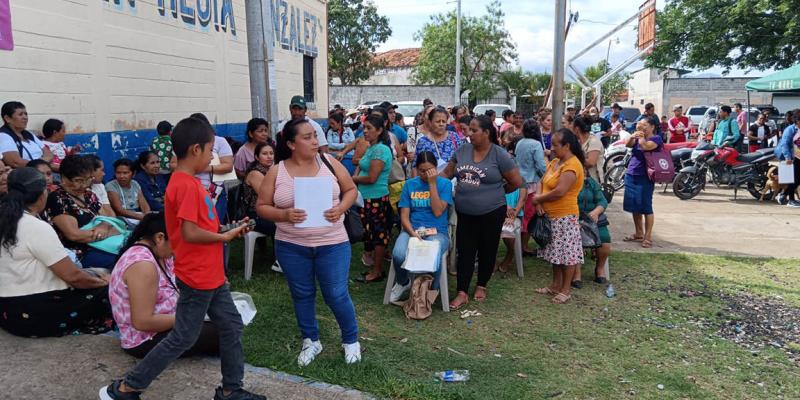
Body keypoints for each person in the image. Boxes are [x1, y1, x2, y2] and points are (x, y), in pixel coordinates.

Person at [100, 117, 263, 400]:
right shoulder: (186, 185)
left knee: (231, 325)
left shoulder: (186, 182)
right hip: (198, 276)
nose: (214, 156)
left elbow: (201, 227)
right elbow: (189, 233)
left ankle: (230, 389)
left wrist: (226, 229)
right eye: (211, 149)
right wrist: (224, 238)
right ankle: (128, 388)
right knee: (183, 337)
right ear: (197, 150)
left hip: (209, 274)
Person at [256, 117, 361, 367]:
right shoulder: (277, 170)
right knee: (302, 294)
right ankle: (311, 340)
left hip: (332, 243)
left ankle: (351, 341)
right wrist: (283, 215)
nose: (315, 141)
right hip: (291, 246)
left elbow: (350, 190)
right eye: (307, 137)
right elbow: (261, 207)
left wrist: (342, 209)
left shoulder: (329, 162)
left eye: (315, 135)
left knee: (336, 294)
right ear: (291, 144)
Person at [0, 167, 111, 338]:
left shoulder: (7, 218)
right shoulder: (35, 226)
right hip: (35, 316)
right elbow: (73, 277)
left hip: (7, 313)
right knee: (114, 288)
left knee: (95, 274)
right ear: (42, 195)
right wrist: (104, 284)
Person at [441, 115, 524, 309]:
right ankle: (462, 291)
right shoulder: (462, 151)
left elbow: (516, 182)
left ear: (486, 132)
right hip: (465, 212)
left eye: (473, 130)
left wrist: (496, 193)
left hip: (492, 212)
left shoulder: (499, 154)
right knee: (465, 250)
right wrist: (428, 181)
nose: (469, 134)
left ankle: (481, 284)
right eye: (468, 129)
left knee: (487, 249)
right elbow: (446, 174)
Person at [110, 212, 219, 358]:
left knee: (222, 314)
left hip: (167, 323)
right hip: (145, 340)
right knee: (222, 328)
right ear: (160, 237)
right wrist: (189, 317)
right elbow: (142, 322)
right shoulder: (142, 266)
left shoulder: (160, 253)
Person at [388, 151, 453, 302]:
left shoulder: (445, 184)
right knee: (398, 254)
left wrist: (432, 184)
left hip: (438, 231)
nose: (426, 174)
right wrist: (412, 233)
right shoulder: (410, 185)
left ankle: (432, 289)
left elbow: (438, 212)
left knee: (433, 251)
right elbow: (404, 216)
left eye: (430, 170)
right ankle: (403, 282)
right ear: (416, 169)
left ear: (436, 168)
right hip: (413, 229)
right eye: (422, 171)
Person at [531, 129, 586, 304]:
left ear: (567, 146)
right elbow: (541, 181)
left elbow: (560, 191)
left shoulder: (572, 165)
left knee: (568, 255)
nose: (551, 148)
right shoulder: (555, 161)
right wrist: (539, 202)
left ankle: (565, 289)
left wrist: (539, 198)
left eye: (555, 145)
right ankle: (555, 285)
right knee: (555, 253)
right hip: (550, 216)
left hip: (565, 217)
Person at [46, 155, 120, 270]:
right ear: (64, 178)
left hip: (100, 245)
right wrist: (108, 231)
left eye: (88, 179)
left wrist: (104, 225)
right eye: (78, 181)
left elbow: (110, 218)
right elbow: (74, 235)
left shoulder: (88, 194)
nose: (84, 185)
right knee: (124, 262)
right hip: (80, 254)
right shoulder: (58, 199)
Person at [352, 114, 393, 283]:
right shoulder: (371, 147)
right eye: (364, 127)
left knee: (378, 234)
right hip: (367, 198)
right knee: (370, 232)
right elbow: (362, 167)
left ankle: (377, 271)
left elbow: (372, 178)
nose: (365, 131)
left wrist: (351, 179)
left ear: (380, 130)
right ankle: (374, 267)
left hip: (376, 198)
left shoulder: (381, 150)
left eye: (369, 128)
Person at [622, 119, 663, 248]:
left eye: (645, 125)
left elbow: (645, 147)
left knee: (646, 206)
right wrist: (632, 136)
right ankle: (639, 232)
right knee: (634, 205)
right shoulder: (639, 137)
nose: (642, 127)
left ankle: (648, 236)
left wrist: (640, 137)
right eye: (640, 125)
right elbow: (628, 145)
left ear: (652, 127)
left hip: (645, 176)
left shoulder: (656, 139)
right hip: (631, 173)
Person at [189, 113, 234, 226]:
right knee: (195, 224)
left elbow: (228, 166)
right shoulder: (187, 143)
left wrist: (204, 168)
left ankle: (220, 243)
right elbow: (174, 164)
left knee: (215, 224)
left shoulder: (219, 141)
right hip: (192, 188)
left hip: (215, 189)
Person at [572, 173, 611, 286]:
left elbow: (602, 201)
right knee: (575, 237)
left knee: (604, 240)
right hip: (575, 218)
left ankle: (599, 269)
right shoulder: (568, 181)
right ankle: (576, 272)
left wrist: (596, 212)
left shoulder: (591, 183)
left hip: (593, 218)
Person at [515, 119, 547, 256]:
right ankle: (524, 246)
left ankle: (519, 243)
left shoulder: (519, 143)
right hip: (532, 183)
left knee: (521, 214)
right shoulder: (536, 144)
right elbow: (540, 165)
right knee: (529, 215)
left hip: (518, 182)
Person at [0, 101, 53, 168]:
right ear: (7, 118)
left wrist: (42, 163)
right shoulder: (3, 136)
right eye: (20, 114)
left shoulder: (28, 134)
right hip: (28, 174)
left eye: (26, 114)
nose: (25, 117)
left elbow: (49, 153)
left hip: (44, 168)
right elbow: (15, 162)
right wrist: (41, 165)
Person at [240, 142, 276, 236]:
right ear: (256, 157)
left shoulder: (269, 171)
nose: (269, 157)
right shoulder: (255, 173)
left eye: (271, 153)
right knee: (283, 226)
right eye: (264, 154)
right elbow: (268, 198)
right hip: (254, 215)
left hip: (267, 212)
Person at [415, 106, 462, 172]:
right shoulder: (423, 142)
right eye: (438, 121)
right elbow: (415, 167)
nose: (441, 124)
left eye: (443, 121)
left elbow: (462, 159)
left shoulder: (454, 137)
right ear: (430, 122)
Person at [107, 158, 151, 224]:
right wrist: (142, 217)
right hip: (123, 217)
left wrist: (147, 215)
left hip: (138, 215)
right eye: (118, 173)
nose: (121, 176)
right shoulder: (111, 186)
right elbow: (120, 210)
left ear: (133, 174)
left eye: (125, 173)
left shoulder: (135, 183)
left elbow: (144, 204)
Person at [774, 109, 800, 207]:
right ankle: (790, 199)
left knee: (796, 179)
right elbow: (784, 144)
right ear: (797, 121)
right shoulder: (790, 129)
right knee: (793, 178)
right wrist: (788, 157)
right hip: (788, 156)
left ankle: (785, 196)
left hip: (797, 156)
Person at [573, 117, 605, 184]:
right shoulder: (577, 141)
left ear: (576, 129)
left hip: (592, 183)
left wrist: (572, 158)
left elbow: (590, 163)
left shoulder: (594, 141)